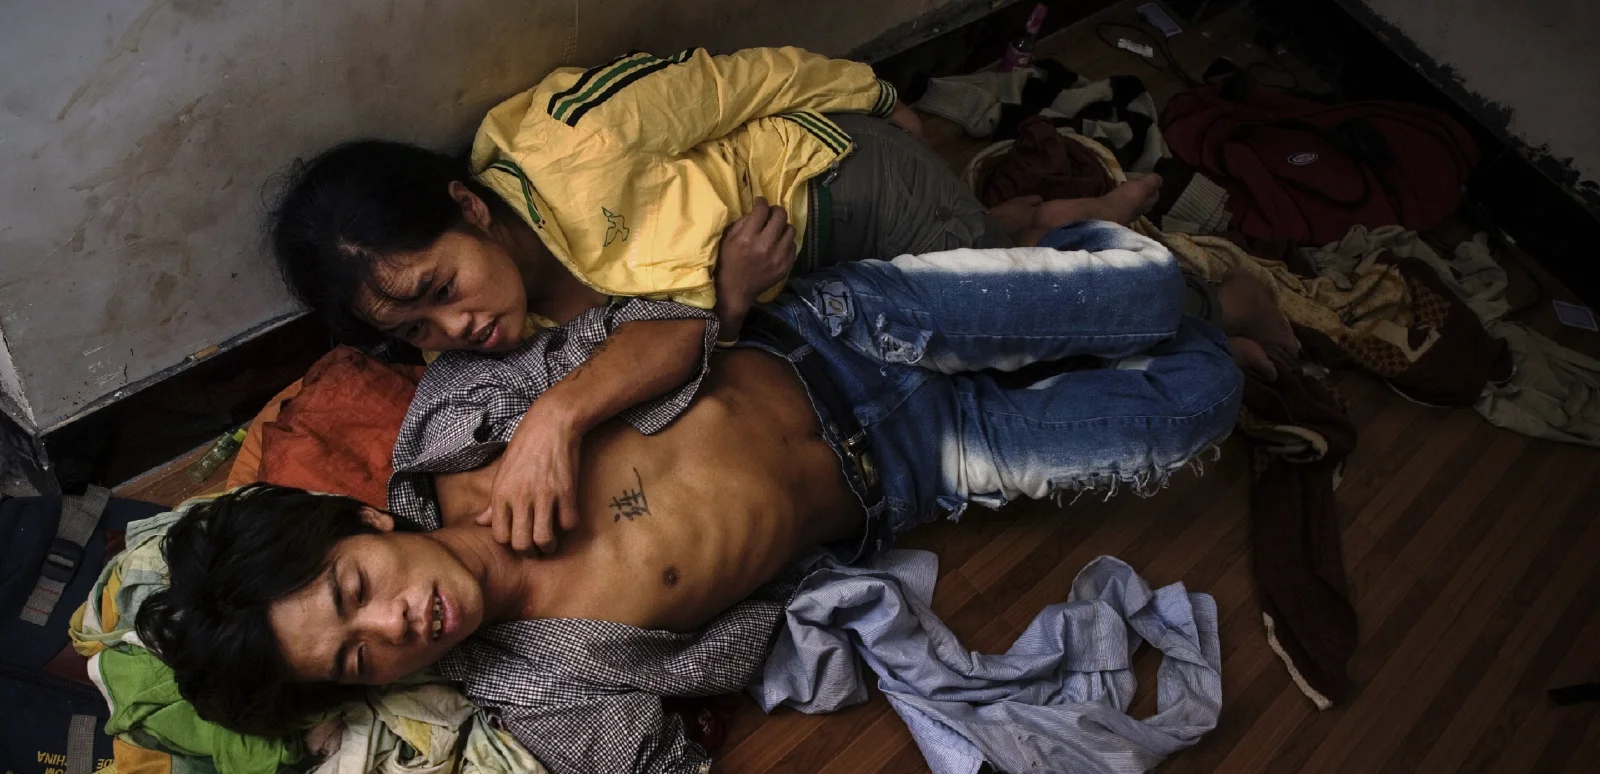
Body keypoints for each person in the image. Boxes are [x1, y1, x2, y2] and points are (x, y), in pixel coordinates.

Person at [140, 221, 1260, 774]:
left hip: (840, 328)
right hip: (916, 467)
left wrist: (556, 420)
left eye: (354, 591)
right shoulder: (548, 687)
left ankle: (1083, 265)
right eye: (353, 661)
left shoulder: (454, 427)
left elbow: (678, 328)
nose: (392, 630)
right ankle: (1120, 318)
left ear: (370, 528)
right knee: (1208, 395)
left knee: (1161, 288)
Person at [269, 46, 1202, 556]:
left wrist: (875, 94)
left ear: (469, 206)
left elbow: (737, 82)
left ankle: (1093, 229)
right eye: (416, 331)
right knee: (960, 313)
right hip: (793, 291)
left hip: (837, 190)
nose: (454, 331)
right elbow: (678, 347)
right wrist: (729, 303)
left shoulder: (572, 135)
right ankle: (1044, 216)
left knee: (1018, 317)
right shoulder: (474, 349)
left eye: (440, 291)